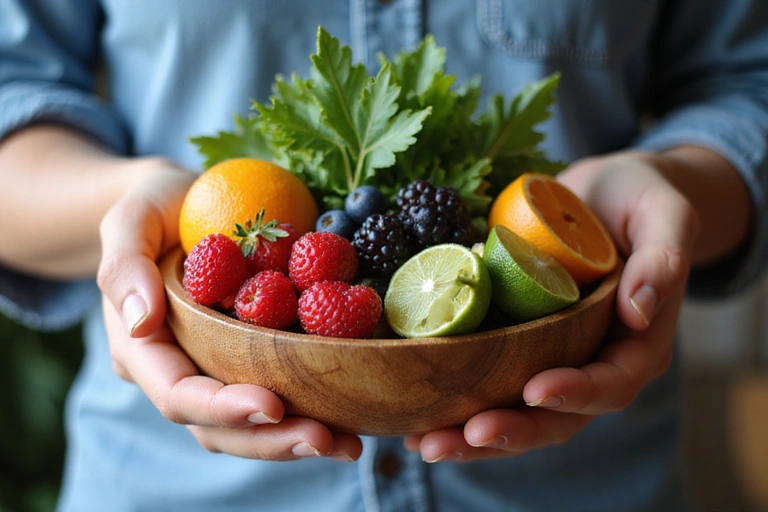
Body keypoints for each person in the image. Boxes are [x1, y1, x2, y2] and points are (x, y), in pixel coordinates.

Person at [1, 1, 766, 511]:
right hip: (173, 485)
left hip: (586, 480)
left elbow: (746, 83)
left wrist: (674, 185)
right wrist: (126, 202)